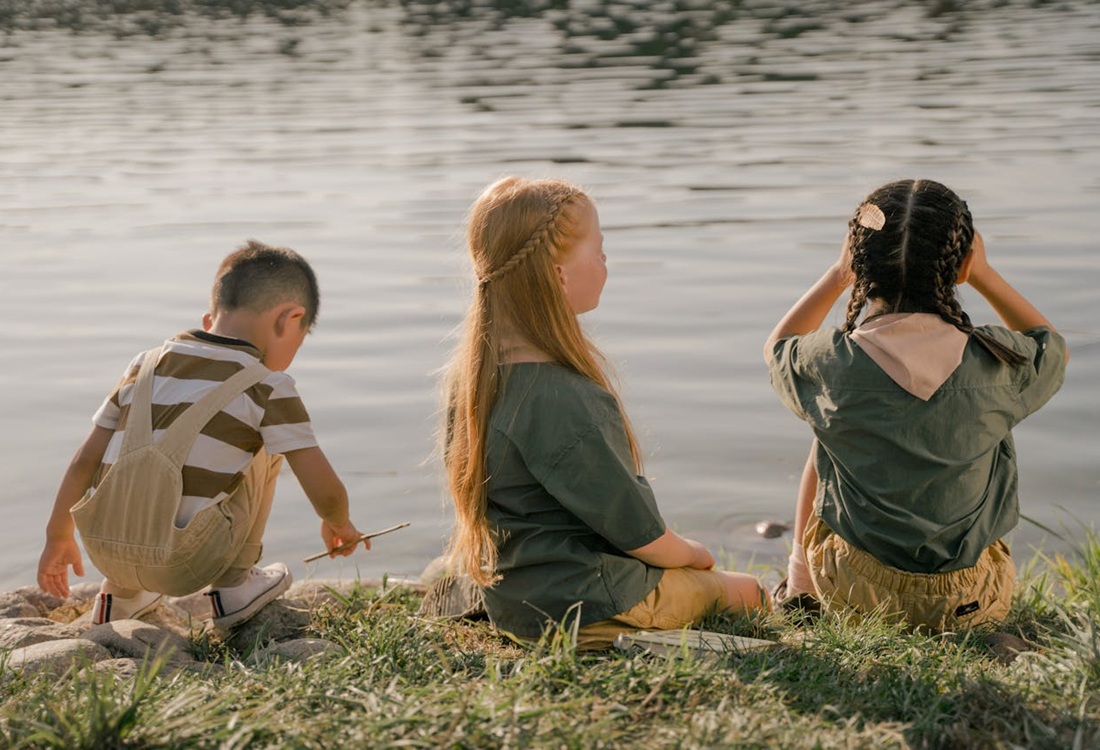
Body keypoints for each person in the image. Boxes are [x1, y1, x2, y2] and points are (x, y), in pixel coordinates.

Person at [442, 176, 769, 649]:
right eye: (599, 250)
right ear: (558, 275)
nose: (605, 261)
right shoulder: (567, 397)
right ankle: (622, 634)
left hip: (514, 602)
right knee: (751, 592)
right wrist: (695, 554)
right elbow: (642, 537)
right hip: (585, 601)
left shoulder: (472, 384)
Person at [765, 179, 1068, 632]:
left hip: (855, 594)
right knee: (990, 415)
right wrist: (983, 274)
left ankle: (801, 589)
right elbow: (1052, 347)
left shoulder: (832, 363)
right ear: (959, 263)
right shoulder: (999, 360)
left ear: (859, 261)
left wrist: (836, 273)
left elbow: (779, 347)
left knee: (826, 429)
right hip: (971, 600)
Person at [37, 240, 366, 628]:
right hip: (188, 561)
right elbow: (323, 486)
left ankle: (120, 596)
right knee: (271, 447)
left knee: (134, 446)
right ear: (289, 320)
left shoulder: (144, 365)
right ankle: (233, 587)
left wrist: (58, 537)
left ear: (210, 319)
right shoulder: (268, 387)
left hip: (105, 550)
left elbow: (84, 460)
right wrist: (339, 522)